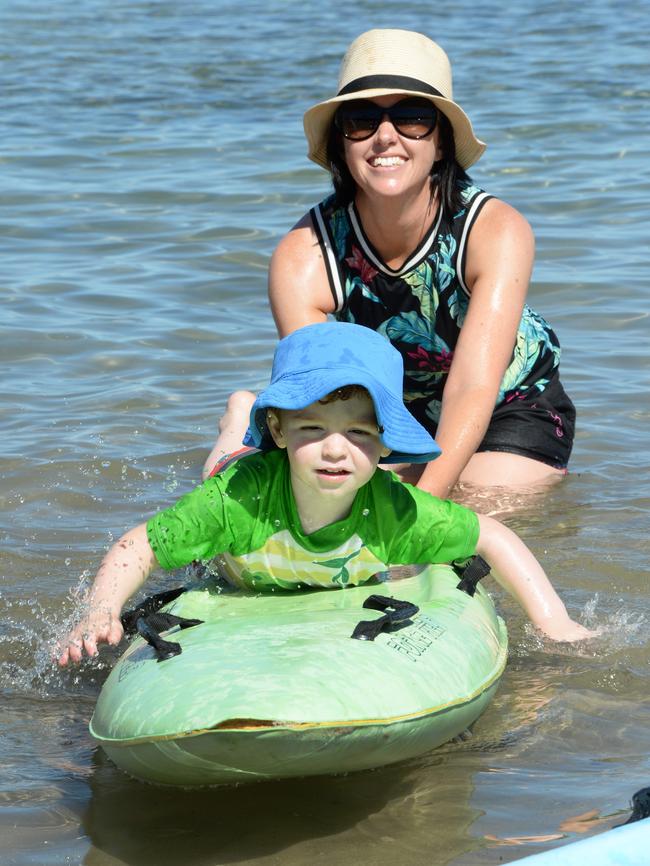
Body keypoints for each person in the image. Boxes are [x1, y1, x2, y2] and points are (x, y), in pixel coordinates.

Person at [59, 322, 592, 667]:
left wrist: (555, 624)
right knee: (223, 457)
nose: (336, 451)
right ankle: (239, 413)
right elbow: (141, 545)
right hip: (245, 470)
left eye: (358, 434)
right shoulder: (236, 500)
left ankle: (250, 412)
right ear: (282, 430)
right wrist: (100, 610)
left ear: (385, 444)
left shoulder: (393, 508)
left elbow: (492, 538)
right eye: (313, 429)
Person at [204, 28, 576, 501]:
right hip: (378, 410)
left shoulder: (495, 230)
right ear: (341, 143)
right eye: (361, 120)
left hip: (509, 402)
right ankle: (241, 426)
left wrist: (427, 514)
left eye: (412, 118)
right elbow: (326, 395)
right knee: (317, 495)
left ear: (440, 141)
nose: (385, 137)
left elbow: (472, 388)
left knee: (485, 499)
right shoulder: (304, 258)